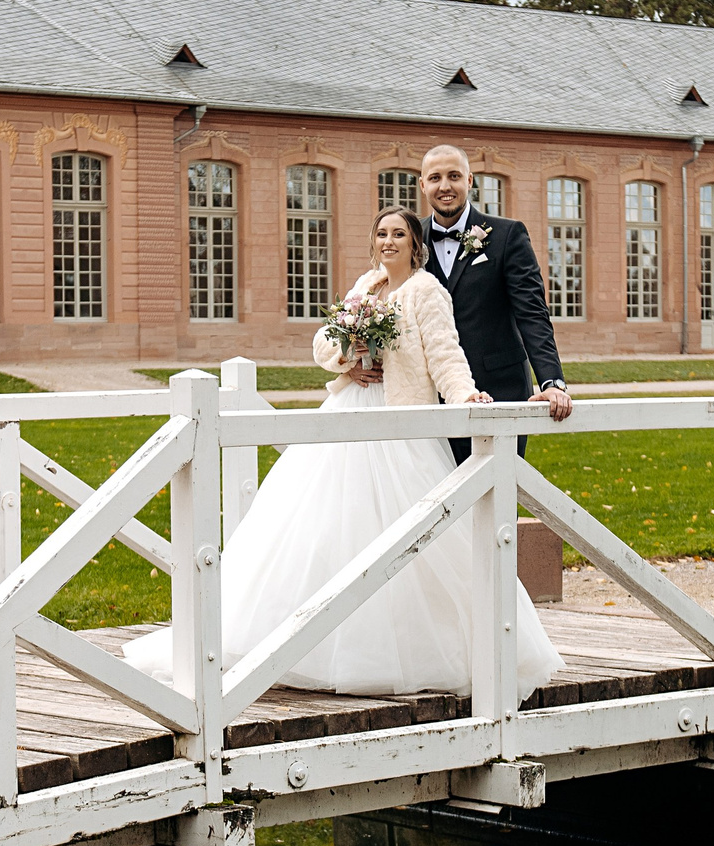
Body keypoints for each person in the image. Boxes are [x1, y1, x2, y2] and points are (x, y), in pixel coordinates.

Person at [122, 207, 565, 696]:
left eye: (399, 234)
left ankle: (417, 648)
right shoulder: (366, 286)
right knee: (319, 525)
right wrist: (348, 359)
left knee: (410, 532)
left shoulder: (426, 291)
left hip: (398, 423)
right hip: (348, 414)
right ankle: (291, 641)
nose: (389, 241)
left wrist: (465, 396)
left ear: (414, 244)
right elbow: (323, 344)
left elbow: (445, 354)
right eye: (382, 234)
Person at [347, 143, 572, 463]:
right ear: (422, 185)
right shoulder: (407, 237)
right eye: (435, 178)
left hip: (499, 390)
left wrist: (552, 382)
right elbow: (381, 305)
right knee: (433, 487)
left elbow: (532, 314)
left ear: (469, 180)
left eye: (453, 176)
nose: (445, 186)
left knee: (496, 487)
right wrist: (355, 362)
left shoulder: (508, 235)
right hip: (429, 396)